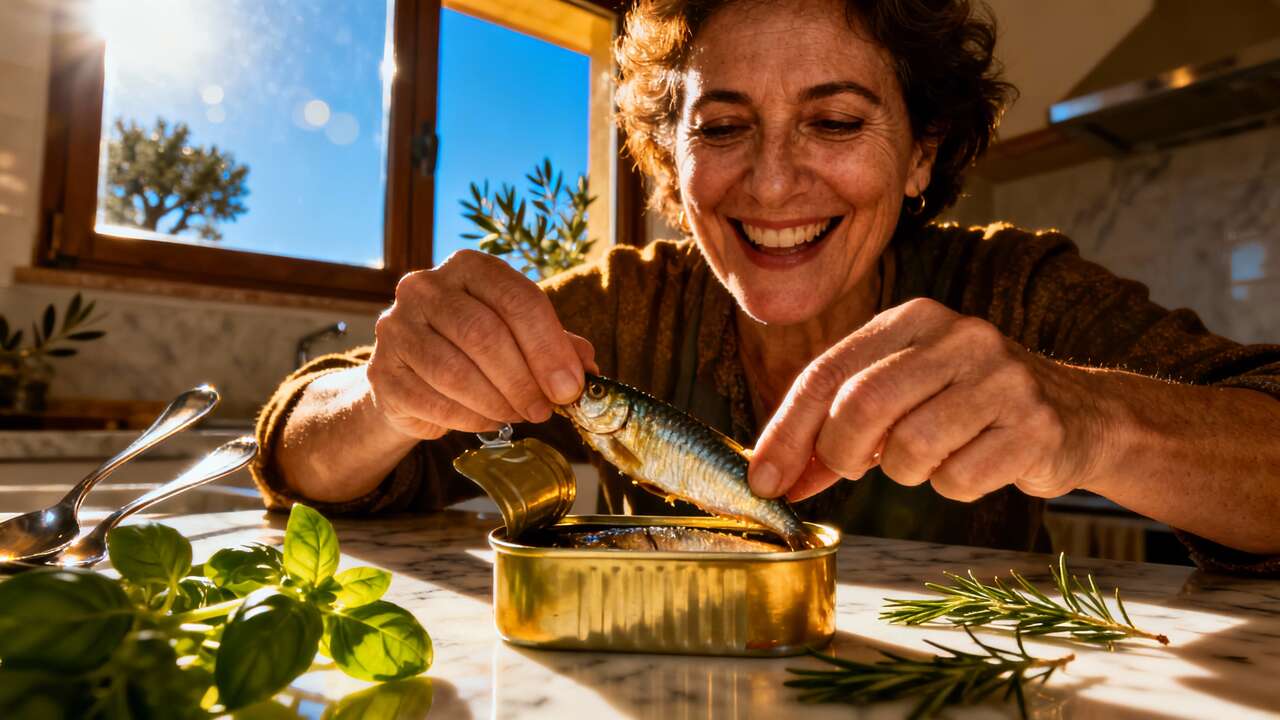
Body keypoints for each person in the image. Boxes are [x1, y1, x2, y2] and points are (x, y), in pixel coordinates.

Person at [254, 0, 1280, 573]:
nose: (773, 181)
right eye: (721, 125)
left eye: (834, 122)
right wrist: (384, 395)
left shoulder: (1015, 291)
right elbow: (306, 460)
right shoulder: (622, 306)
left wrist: (1090, 418)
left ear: (919, 155)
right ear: (672, 157)